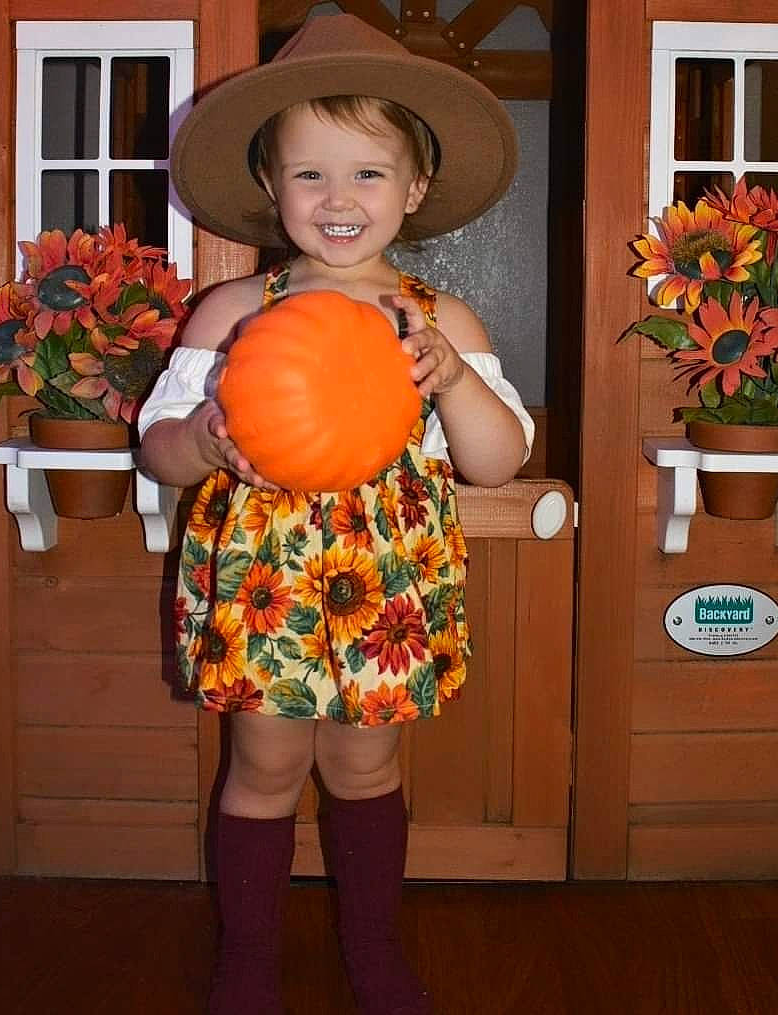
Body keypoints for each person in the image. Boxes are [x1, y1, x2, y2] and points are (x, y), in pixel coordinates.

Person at [137, 14, 534, 1015]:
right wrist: (207, 437)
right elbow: (157, 448)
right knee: (263, 760)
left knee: (366, 763)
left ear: (413, 189)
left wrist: (452, 384)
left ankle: (371, 945)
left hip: (388, 588)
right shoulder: (232, 313)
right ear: (271, 189)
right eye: (309, 174)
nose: (338, 199)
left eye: (366, 173)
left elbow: (496, 464)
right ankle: (247, 957)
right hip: (262, 582)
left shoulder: (438, 322)